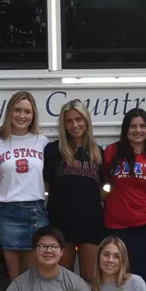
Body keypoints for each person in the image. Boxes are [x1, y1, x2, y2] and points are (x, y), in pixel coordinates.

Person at [101, 109, 146, 279]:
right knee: (117, 275)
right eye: (133, 126)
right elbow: (101, 182)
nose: (138, 130)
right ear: (125, 129)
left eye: (142, 126)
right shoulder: (112, 152)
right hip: (117, 226)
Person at [0, 90, 48, 278]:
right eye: (17, 110)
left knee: (31, 278)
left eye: (27, 112)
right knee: (10, 279)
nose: (22, 116)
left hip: (35, 212)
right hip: (6, 213)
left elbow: (48, 181)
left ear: (33, 115)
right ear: (9, 113)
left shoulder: (43, 142)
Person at [45, 99, 105, 281]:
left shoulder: (97, 152)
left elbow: (103, 189)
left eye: (79, 119)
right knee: (63, 279)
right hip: (61, 224)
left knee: (91, 279)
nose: (75, 125)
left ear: (86, 120)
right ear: (63, 124)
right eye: (69, 121)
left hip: (91, 223)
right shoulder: (53, 150)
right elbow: (45, 185)